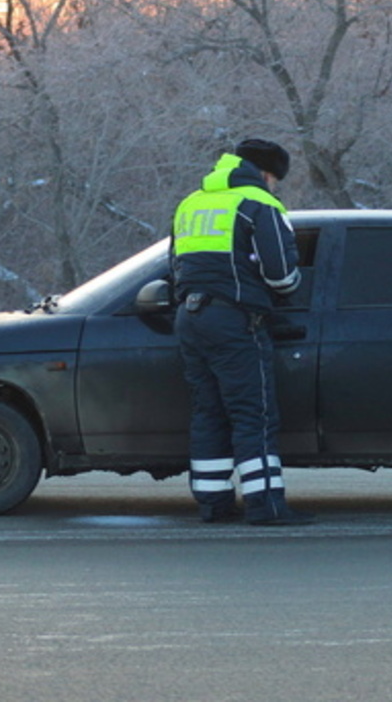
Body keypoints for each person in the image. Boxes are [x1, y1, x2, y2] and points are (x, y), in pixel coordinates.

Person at [170, 139, 314, 525]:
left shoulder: (191, 202)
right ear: (266, 173)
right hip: (234, 319)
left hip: (189, 316)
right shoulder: (259, 203)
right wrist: (290, 285)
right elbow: (281, 275)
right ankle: (265, 505)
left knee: (208, 411)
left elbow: (176, 267)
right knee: (254, 412)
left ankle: (213, 504)